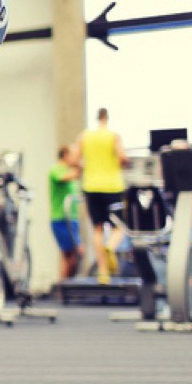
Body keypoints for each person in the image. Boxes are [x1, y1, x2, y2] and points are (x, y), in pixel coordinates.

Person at [67, 107, 129, 284]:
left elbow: (73, 161)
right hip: (112, 186)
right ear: (107, 118)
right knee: (120, 226)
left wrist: (85, 166)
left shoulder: (84, 136)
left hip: (91, 186)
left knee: (97, 229)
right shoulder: (113, 136)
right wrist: (117, 163)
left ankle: (103, 272)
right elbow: (123, 158)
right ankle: (111, 246)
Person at [49, 146, 82, 279]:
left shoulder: (70, 171)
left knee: (69, 255)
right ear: (65, 155)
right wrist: (81, 166)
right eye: (73, 155)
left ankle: (66, 285)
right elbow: (66, 177)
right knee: (74, 253)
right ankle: (66, 284)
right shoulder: (56, 170)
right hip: (61, 218)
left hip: (72, 218)